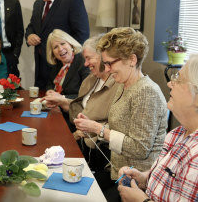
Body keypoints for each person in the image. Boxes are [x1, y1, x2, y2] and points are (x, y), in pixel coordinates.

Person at [74, 27, 168, 201]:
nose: (107, 69)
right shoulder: (123, 85)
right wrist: (94, 126)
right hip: (117, 172)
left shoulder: (146, 92)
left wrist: (99, 129)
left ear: (132, 59)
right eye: (105, 63)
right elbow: (121, 126)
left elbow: (140, 148)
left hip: (136, 183)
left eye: (110, 63)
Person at [118, 55, 198, 202]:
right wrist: (144, 178)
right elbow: (169, 181)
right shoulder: (177, 133)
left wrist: (142, 200)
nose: (169, 84)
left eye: (179, 80)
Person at [44, 34, 120, 172]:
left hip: (100, 154)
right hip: (81, 143)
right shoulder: (90, 80)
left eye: (88, 58)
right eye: (85, 59)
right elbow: (80, 108)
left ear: (103, 56)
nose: (85, 64)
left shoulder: (118, 84)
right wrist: (61, 101)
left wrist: (85, 132)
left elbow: (117, 125)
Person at [25, 0, 90, 89]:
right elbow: (31, 27)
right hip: (40, 68)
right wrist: (29, 35)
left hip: (63, 67)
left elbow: (82, 35)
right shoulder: (38, 4)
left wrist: (70, 61)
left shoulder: (72, 0)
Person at [45, 29, 90, 99]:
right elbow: (50, 84)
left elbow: (86, 94)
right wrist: (50, 91)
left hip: (74, 107)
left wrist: (61, 98)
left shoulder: (83, 61)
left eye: (62, 44)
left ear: (71, 44)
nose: (60, 49)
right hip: (55, 105)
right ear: (52, 53)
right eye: (55, 47)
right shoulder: (58, 64)